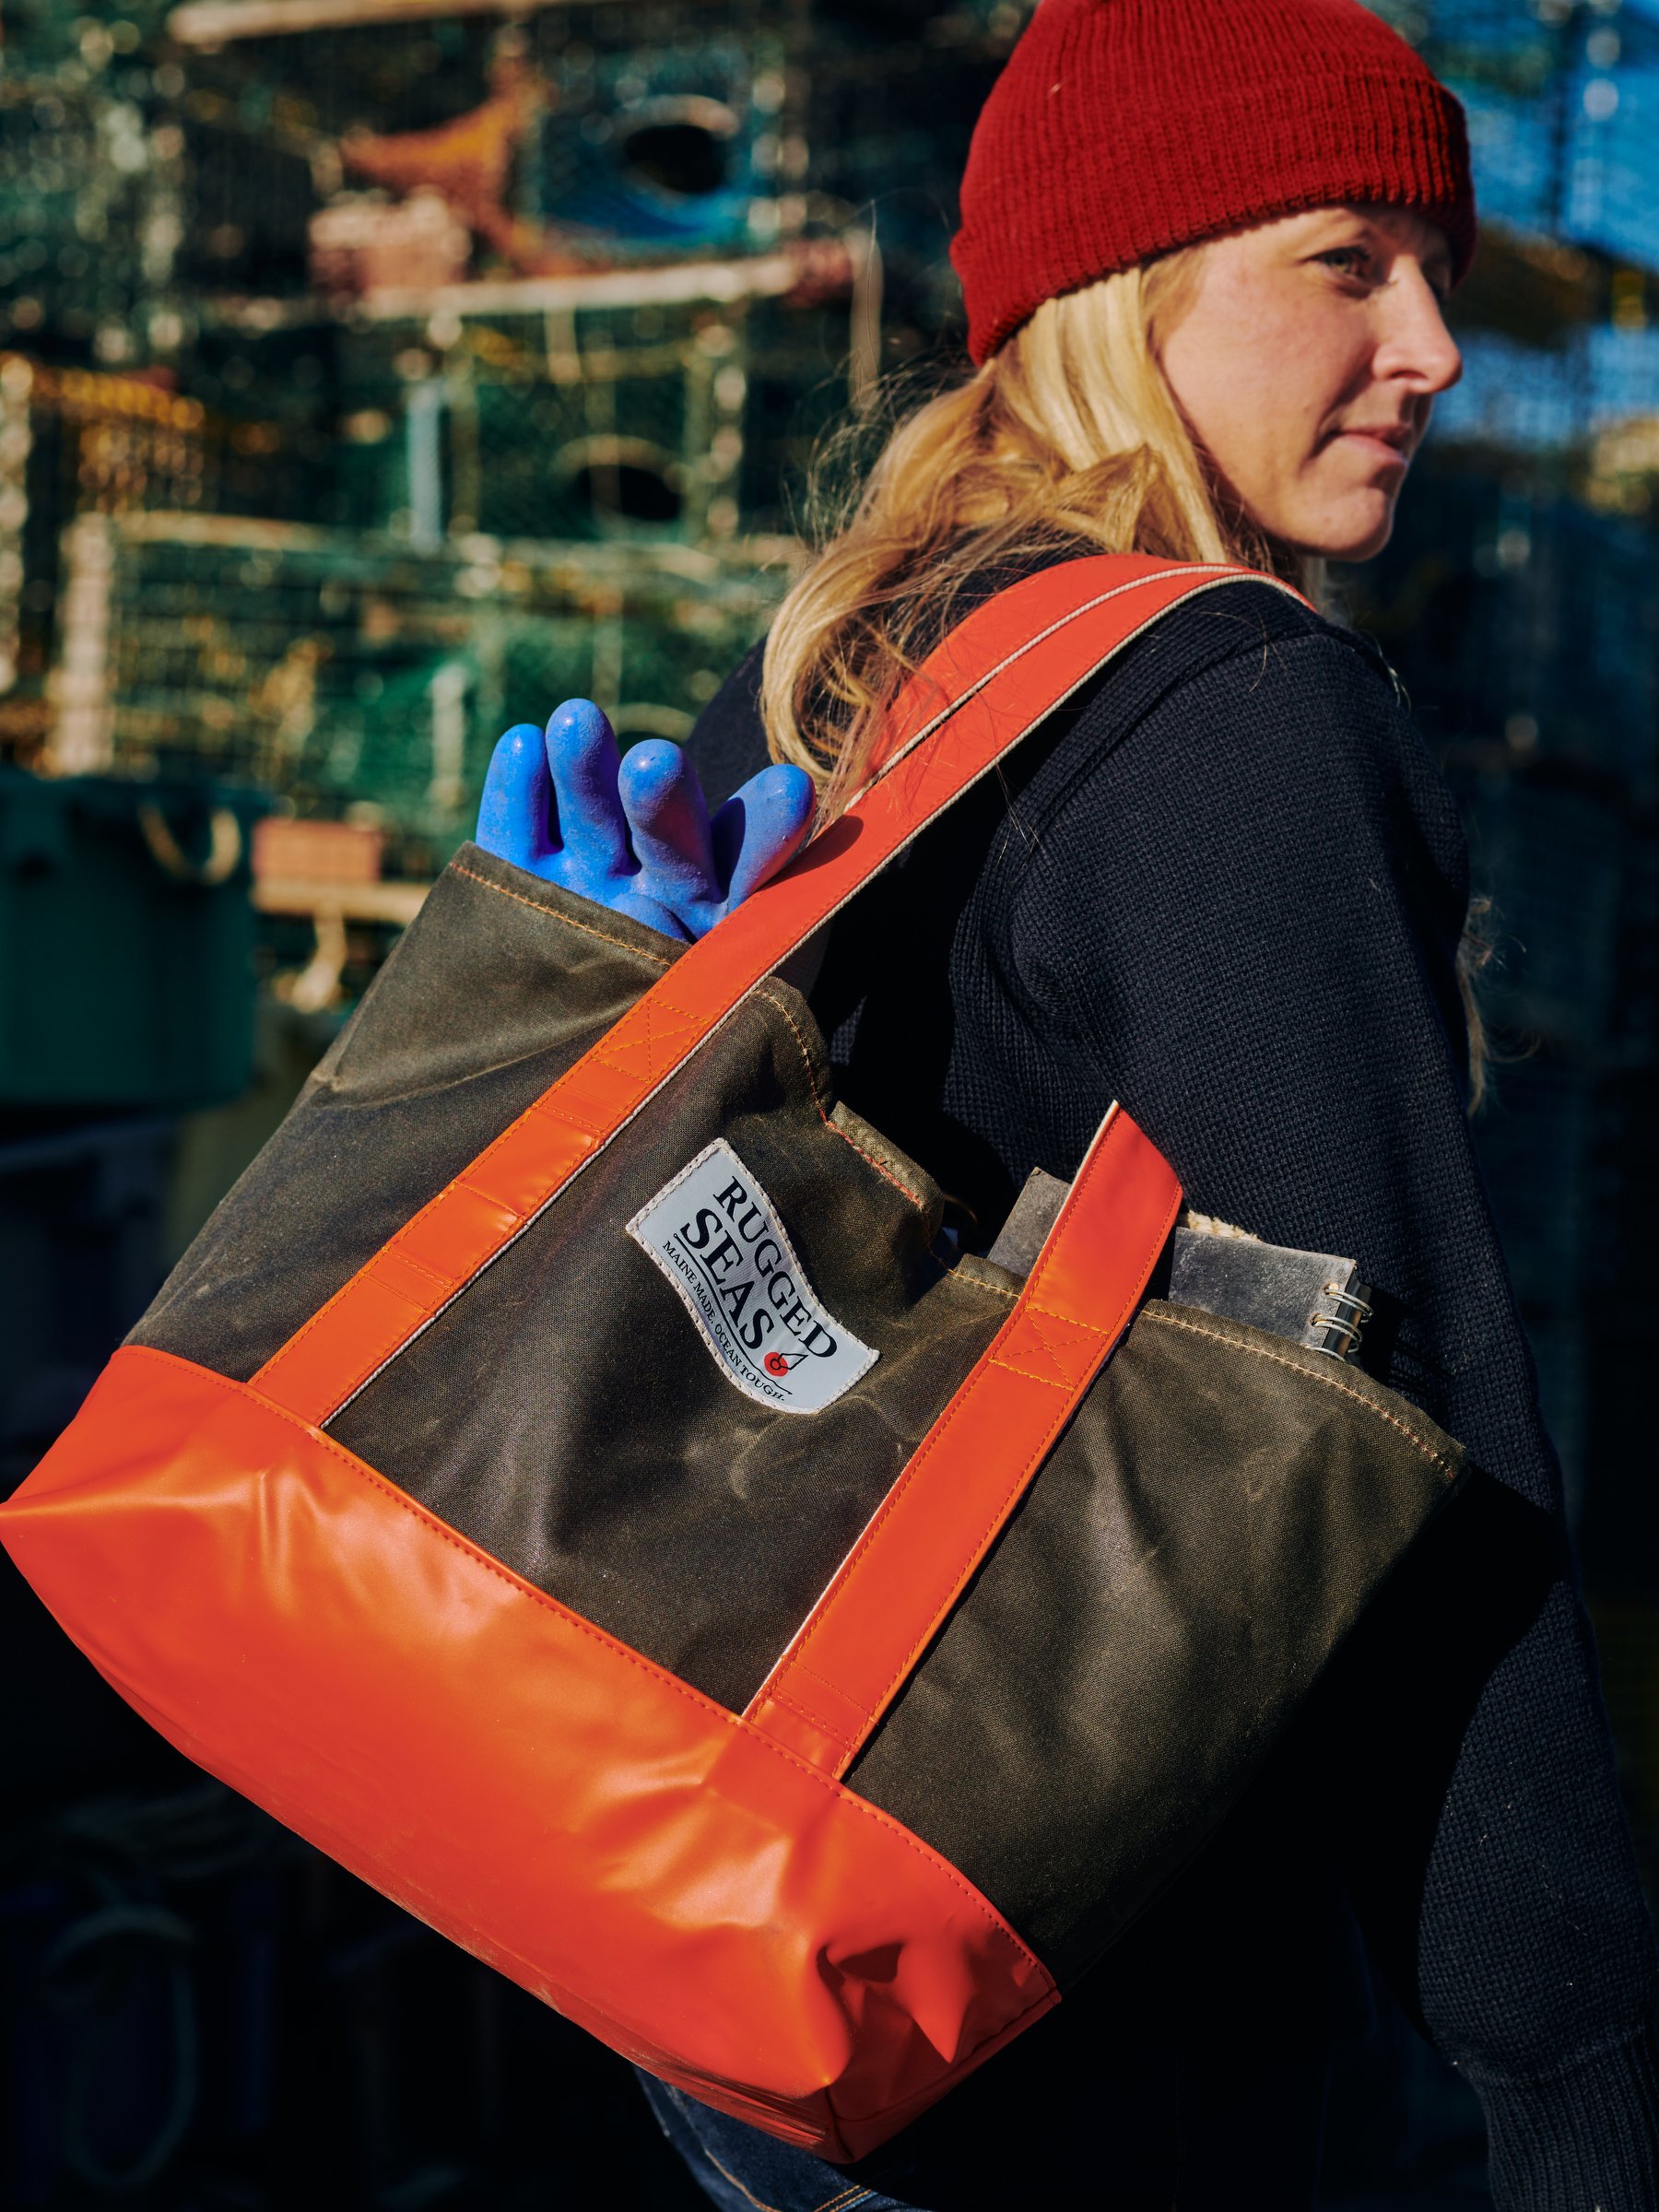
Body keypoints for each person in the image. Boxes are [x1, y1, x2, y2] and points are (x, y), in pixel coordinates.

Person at [477, 2, 1659, 2203]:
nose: (1431, 350)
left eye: (1442, 276)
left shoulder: (890, 662)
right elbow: (1418, 1468)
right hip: (1061, 2019)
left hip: (758, 1962)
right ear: (1132, 282)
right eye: (1344, 262)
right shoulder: (1240, 729)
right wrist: (1577, 2067)